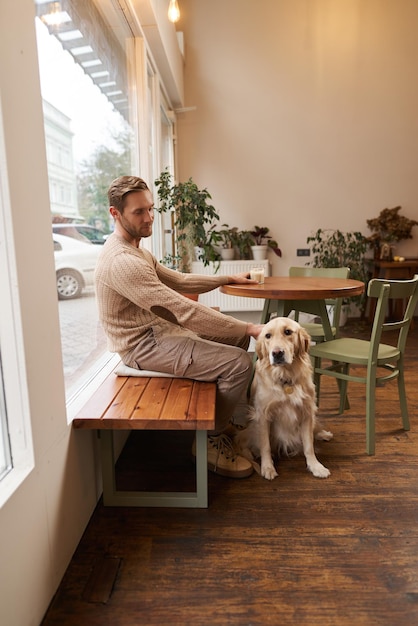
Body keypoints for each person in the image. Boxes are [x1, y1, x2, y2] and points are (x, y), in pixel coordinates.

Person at [95, 175, 264, 478]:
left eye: (150, 209)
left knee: (234, 340)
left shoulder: (138, 250)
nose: (149, 218)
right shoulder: (122, 261)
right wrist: (250, 328)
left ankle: (219, 421)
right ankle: (209, 443)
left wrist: (228, 278)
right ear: (115, 213)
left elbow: (181, 281)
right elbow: (183, 311)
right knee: (240, 362)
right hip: (142, 345)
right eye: (139, 212)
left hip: (159, 330)